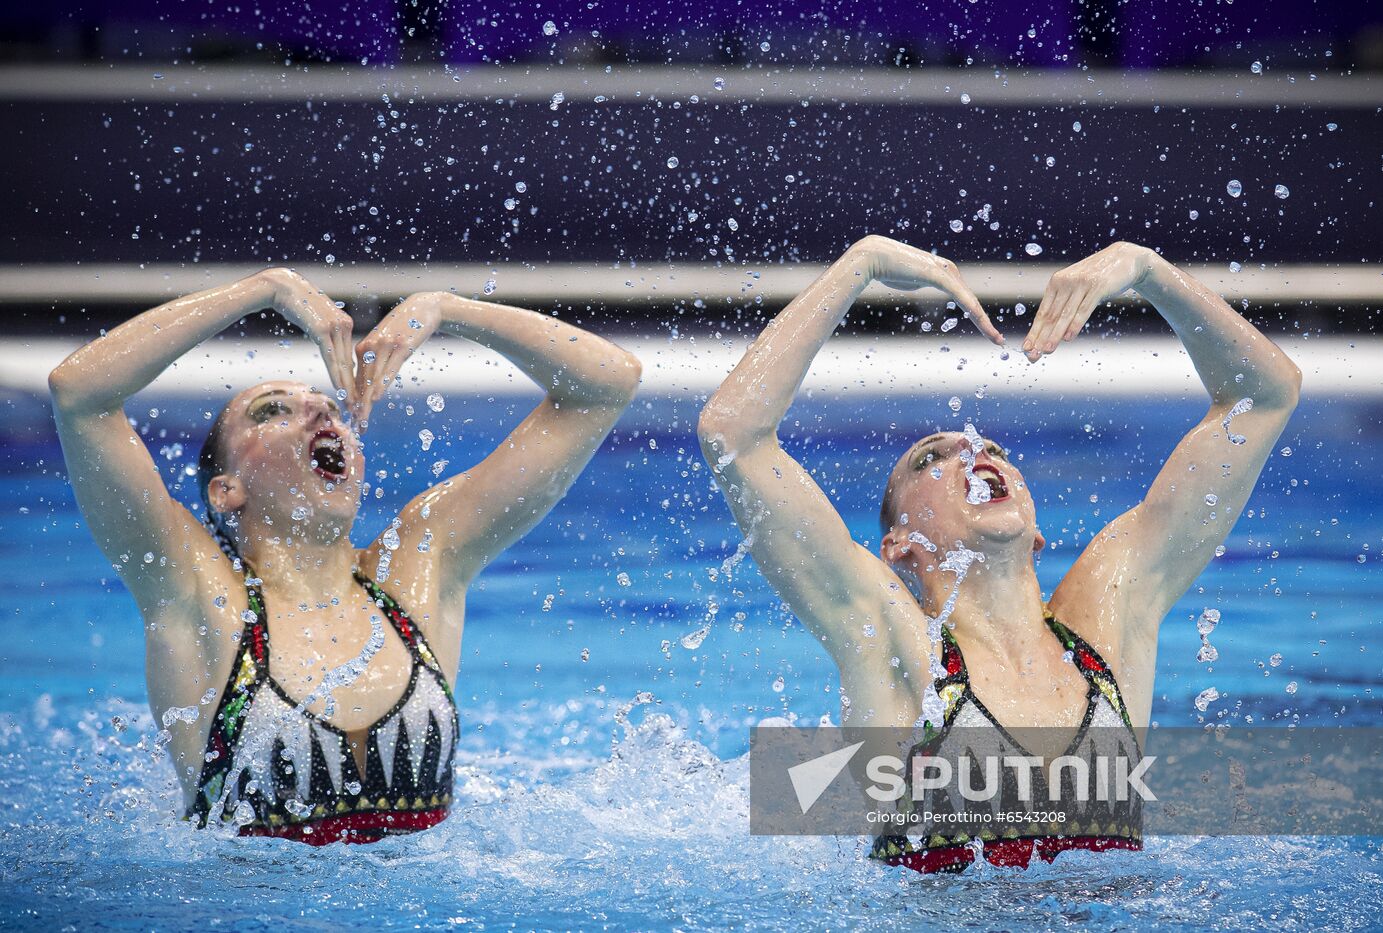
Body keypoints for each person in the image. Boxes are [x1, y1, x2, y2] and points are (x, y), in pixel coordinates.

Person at [697, 236, 1301, 871]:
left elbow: (1265, 396)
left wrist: (1145, 270)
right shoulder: (894, 643)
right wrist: (859, 265)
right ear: (899, 544)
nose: (976, 454)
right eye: (933, 458)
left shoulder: (1107, 623)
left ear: (1036, 533)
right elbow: (732, 433)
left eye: (996, 454)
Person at [48, 268, 641, 844]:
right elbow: (80, 395)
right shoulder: (198, 592)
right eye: (273, 411)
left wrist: (448, 309)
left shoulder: (413, 571)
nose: (319, 411)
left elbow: (604, 385)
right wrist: (263, 290)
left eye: (326, 406)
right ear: (227, 490)